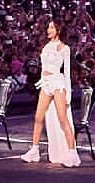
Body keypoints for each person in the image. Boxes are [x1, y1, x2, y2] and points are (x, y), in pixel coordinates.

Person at [22, 19, 80, 167]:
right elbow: (43, 68)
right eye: (48, 27)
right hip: (46, 83)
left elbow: (66, 72)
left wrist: (68, 93)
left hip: (58, 83)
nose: (49, 30)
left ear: (58, 30)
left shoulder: (64, 48)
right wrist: (42, 81)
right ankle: (34, 150)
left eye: (52, 28)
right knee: (38, 118)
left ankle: (72, 153)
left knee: (63, 119)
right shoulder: (46, 47)